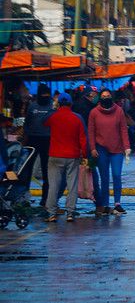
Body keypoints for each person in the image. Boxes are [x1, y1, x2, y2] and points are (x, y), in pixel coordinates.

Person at [44, 93, 87, 223]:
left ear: (59, 104)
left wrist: (53, 108)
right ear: (71, 103)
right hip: (72, 156)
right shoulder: (77, 118)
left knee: (53, 185)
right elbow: (83, 139)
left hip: (55, 155)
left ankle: (51, 213)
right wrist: (84, 155)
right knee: (72, 185)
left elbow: (44, 121)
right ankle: (70, 212)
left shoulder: (53, 117)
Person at [88, 88, 131, 216]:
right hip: (101, 149)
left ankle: (117, 203)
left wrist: (127, 147)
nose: (106, 98)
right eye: (103, 96)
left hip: (117, 149)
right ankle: (106, 205)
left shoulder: (119, 111)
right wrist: (92, 148)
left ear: (111, 97)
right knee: (104, 178)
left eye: (108, 96)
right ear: (100, 98)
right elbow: (91, 132)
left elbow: (123, 129)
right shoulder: (94, 113)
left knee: (117, 175)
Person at [23, 83, 55, 212]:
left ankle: (45, 198)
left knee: (47, 170)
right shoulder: (32, 106)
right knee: (27, 170)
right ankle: (24, 196)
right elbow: (27, 123)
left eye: (47, 95)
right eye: (43, 95)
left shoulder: (52, 106)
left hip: (47, 140)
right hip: (33, 139)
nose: (45, 97)